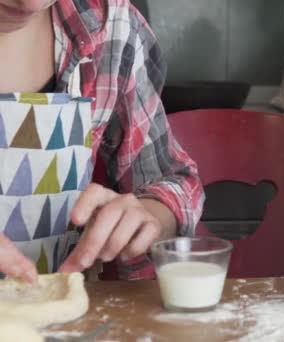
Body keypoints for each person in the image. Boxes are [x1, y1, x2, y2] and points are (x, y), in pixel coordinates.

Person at [0, 0, 203, 281]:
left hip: (66, 320)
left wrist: (146, 216)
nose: (30, 3)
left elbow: (174, 181)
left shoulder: (109, 27)